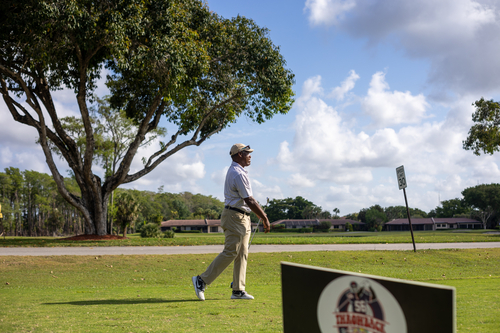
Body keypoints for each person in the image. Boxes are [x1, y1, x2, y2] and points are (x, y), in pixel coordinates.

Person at [192, 143, 270, 301]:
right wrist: (265, 218)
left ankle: (238, 290)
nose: (250, 156)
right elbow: (249, 200)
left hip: (241, 217)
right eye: (247, 153)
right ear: (239, 154)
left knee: (242, 253)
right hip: (235, 216)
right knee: (231, 251)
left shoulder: (237, 171)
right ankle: (202, 280)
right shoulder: (237, 173)